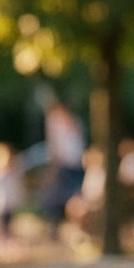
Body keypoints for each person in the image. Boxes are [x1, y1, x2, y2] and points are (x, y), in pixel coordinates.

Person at [41, 100, 86, 236]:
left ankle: (73, 227)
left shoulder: (73, 124)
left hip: (73, 166)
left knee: (74, 199)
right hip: (64, 166)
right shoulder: (58, 126)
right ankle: (54, 225)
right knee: (58, 198)